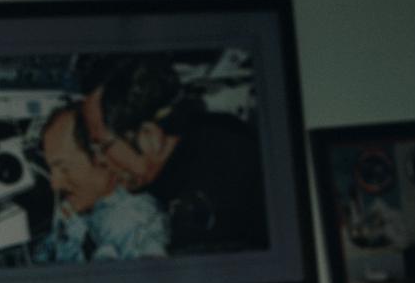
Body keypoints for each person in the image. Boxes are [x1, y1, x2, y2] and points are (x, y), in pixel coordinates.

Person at [83, 57, 268, 254]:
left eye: (103, 146)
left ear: (150, 136)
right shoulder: (217, 139)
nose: (98, 160)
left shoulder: (218, 188)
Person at [34, 104, 170, 264]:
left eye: (64, 169)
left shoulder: (135, 222)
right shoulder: (77, 208)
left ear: (101, 156)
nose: (55, 184)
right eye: (52, 170)